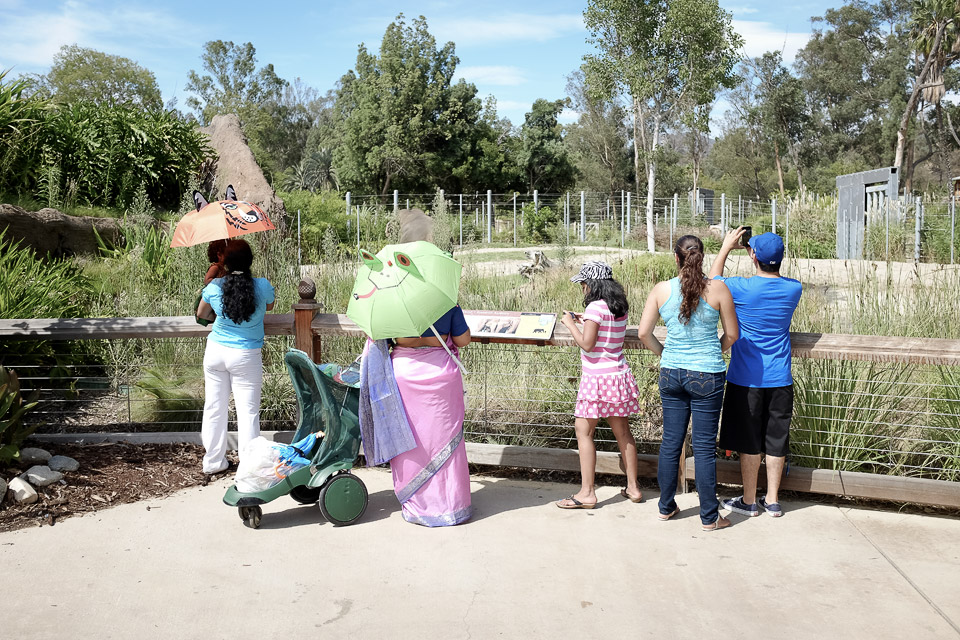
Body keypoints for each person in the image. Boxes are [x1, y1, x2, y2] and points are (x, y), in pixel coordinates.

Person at [638, 236, 739, 531]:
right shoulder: (718, 289)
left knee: (671, 443)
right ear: (702, 257)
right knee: (705, 448)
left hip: (671, 373)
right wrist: (710, 354)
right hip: (707, 374)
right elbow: (732, 334)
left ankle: (666, 506)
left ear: (676, 258)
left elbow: (644, 333)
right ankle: (709, 517)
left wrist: (666, 353)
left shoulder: (661, 290)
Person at [709, 229, 802, 518]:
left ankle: (749, 500)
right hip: (781, 378)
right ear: (781, 258)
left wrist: (725, 248)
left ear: (753, 256)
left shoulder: (742, 288)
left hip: (745, 378)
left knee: (750, 442)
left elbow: (712, 283)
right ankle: (772, 500)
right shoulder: (794, 288)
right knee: (775, 440)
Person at [556, 261, 643, 509]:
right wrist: (586, 318)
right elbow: (604, 329)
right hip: (618, 376)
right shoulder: (618, 308)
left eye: (583, 284)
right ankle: (634, 488)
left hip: (596, 379)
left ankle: (587, 493)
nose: (582, 288)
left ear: (591, 284)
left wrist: (571, 323)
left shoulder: (595, 308)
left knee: (584, 432)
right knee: (623, 433)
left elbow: (587, 344)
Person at [196, 239, 275, 474]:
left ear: (225, 262)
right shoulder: (261, 286)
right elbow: (269, 306)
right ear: (251, 261)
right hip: (246, 355)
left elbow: (201, 314)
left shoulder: (215, 287)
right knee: (248, 411)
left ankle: (213, 463)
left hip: (216, 351)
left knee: (214, 408)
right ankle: (249, 467)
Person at [388, 305, 473, 526]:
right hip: (440, 375)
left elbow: (383, 341)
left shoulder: (394, 303)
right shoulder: (446, 302)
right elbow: (463, 340)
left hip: (405, 374)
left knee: (411, 438)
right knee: (446, 439)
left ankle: (417, 504)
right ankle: (451, 506)